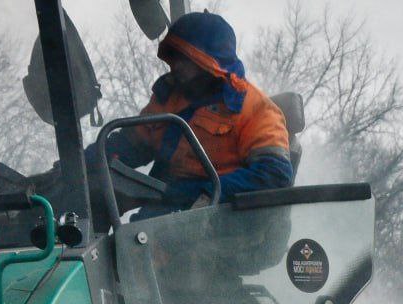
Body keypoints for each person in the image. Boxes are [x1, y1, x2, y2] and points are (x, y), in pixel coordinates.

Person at [96, 13, 294, 214]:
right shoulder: (168, 97)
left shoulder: (255, 109)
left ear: (208, 61)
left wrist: (209, 195)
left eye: (185, 58)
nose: (176, 65)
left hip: (227, 222)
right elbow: (132, 144)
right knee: (99, 206)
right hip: (164, 209)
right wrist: (82, 167)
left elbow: (275, 173)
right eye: (174, 57)